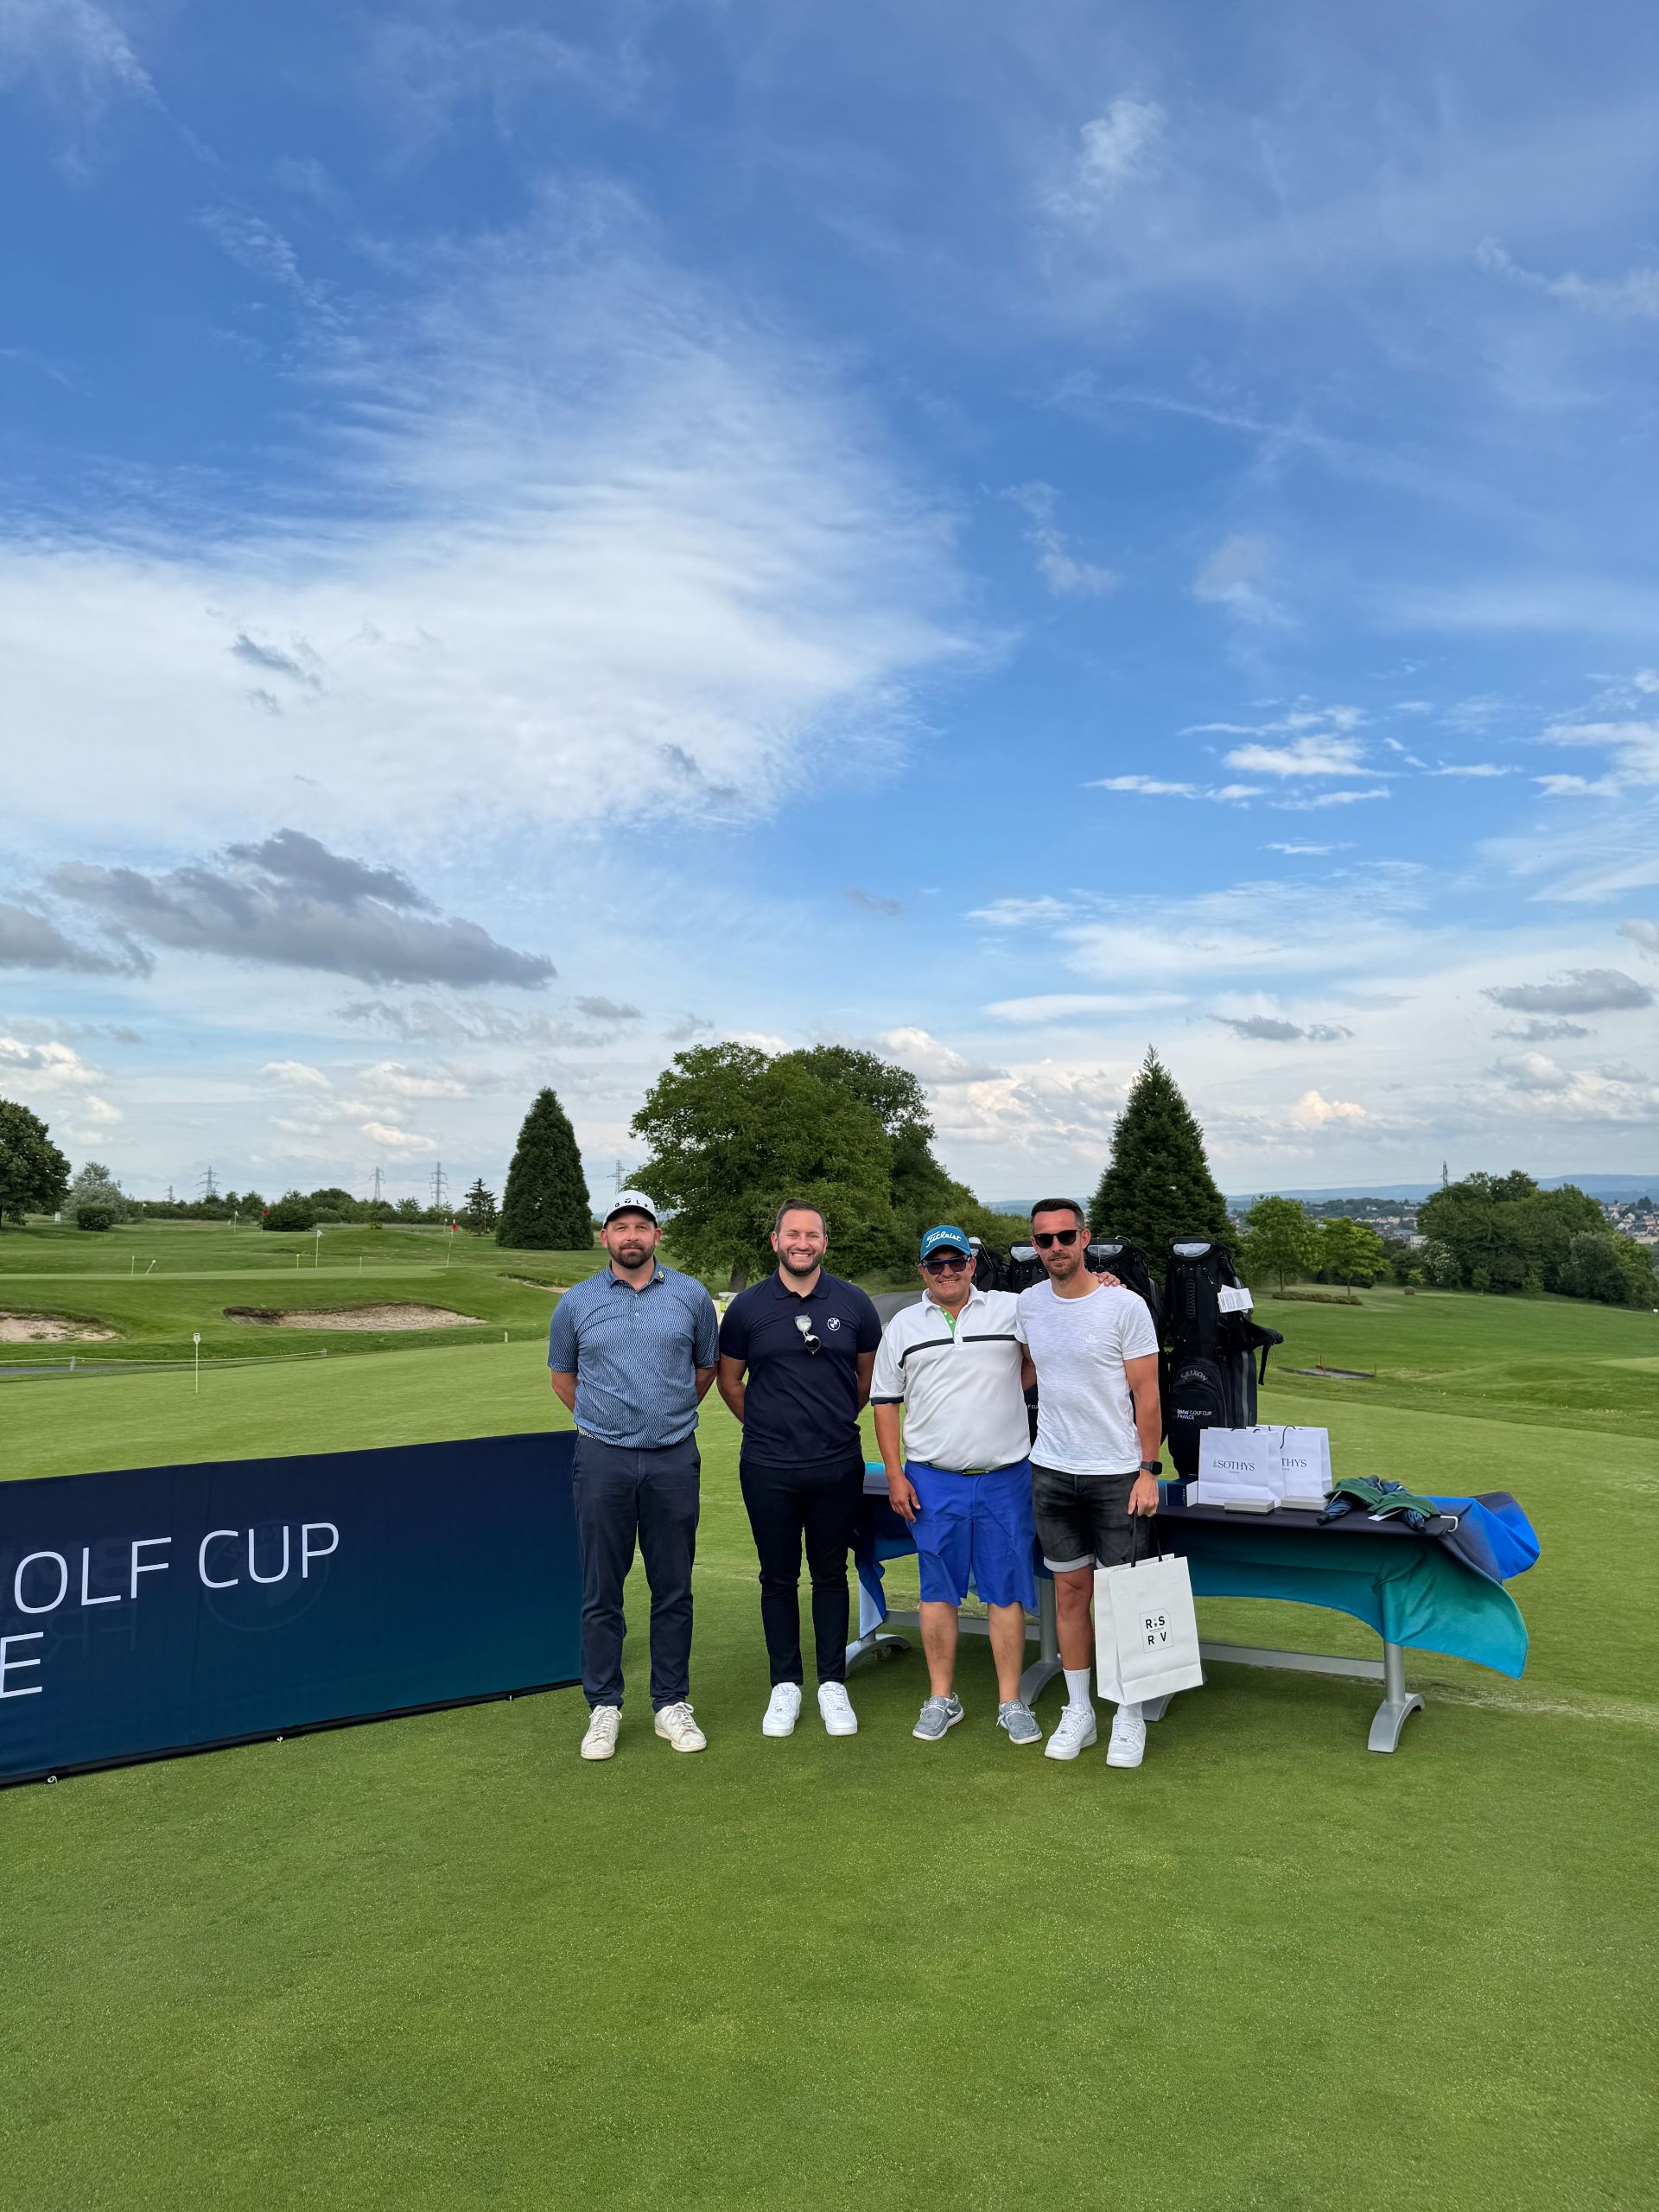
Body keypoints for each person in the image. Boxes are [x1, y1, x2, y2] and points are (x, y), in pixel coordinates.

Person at [547, 1192, 720, 1762]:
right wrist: (608, 1426)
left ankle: (671, 1702)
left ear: (656, 1235)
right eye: (620, 1227)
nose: (631, 1236)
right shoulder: (577, 1302)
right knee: (602, 1588)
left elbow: (704, 1369)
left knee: (673, 1585)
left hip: (673, 1457)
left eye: (641, 1226)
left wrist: (664, 1420)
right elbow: (563, 1378)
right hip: (602, 1459)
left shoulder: (691, 1296)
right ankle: (604, 1706)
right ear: (605, 1237)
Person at [871, 1224, 1043, 1747]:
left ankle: (1010, 1701)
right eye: (936, 1265)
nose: (947, 1272)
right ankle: (941, 1697)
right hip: (931, 1479)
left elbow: (1037, 1357)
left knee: (1005, 1591)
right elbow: (885, 1403)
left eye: (956, 1262)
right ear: (922, 1271)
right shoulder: (903, 1325)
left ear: (972, 1264)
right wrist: (895, 1474)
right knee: (937, 1590)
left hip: (1005, 1477)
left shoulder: (1011, 1308)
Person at [717, 1201, 882, 1738]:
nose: (802, 1243)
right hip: (767, 1466)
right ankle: (785, 1684)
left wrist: (828, 1423)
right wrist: (769, 1427)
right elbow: (730, 1382)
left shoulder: (854, 1303)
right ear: (776, 1241)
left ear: (824, 1242)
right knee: (778, 1576)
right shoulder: (747, 1307)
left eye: (812, 1235)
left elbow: (865, 1380)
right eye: (793, 1234)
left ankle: (832, 1682)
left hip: (837, 1464)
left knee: (831, 1574)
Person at [1014, 1198, 1163, 1770]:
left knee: (1122, 1600)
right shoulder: (1028, 1304)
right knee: (1071, 1594)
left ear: (1085, 1238)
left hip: (1118, 1474)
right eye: (1043, 1239)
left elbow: (1147, 1394)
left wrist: (1149, 1469)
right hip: (1051, 1469)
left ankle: (1128, 1713)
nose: (1055, 1247)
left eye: (1065, 1236)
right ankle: (1080, 1710)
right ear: (1035, 1246)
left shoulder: (1125, 1305)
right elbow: (1025, 1368)